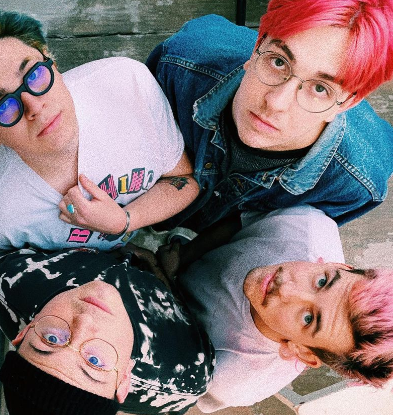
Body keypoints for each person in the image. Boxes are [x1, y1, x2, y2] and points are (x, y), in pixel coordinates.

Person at [146, 0, 393, 252]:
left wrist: (190, 254)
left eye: (320, 88)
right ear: (256, 48)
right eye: (278, 62)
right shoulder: (179, 65)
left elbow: (277, 227)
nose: (276, 103)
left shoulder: (356, 182)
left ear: (347, 103)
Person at [0, 11, 199, 258]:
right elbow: (11, 269)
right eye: (3, 106)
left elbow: (183, 178)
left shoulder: (129, 87)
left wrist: (126, 220)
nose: (34, 106)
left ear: (53, 64)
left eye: (34, 75)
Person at [175, 205, 393, 412]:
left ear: (304, 352)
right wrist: (181, 255)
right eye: (322, 281)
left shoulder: (233, 379)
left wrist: (164, 277)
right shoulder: (306, 226)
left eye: (308, 318)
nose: (286, 288)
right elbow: (239, 223)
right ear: (338, 265)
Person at [0, 246, 215, 415]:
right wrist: (163, 272)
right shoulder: (185, 374)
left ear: (25, 331)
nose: (84, 322)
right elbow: (188, 319)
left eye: (52, 339)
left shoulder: (12, 281)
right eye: (94, 361)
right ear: (123, 380)